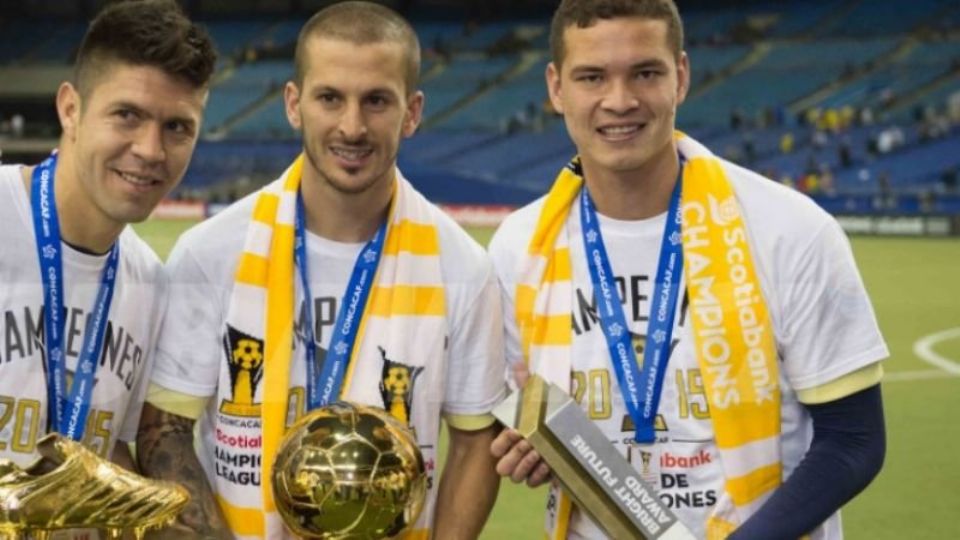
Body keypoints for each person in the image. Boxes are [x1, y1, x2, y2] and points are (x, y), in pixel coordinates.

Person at [488, 1, 887, 539]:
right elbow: (521, 413)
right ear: (557, 88)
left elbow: (854, 441)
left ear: (681, 76)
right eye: (592, 77)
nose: (619, 100)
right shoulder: (519, 246)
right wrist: (530, 448)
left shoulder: (792, 230)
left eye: (645, 73)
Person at [135, 3, 505, 539]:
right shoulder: (209, 253)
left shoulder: (464, 267)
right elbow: (164, 432)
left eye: (376, 100)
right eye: (330, 97)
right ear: (294, 104)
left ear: (412, 112)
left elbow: (475, 444)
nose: (352, 126)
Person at [0, 0, 214, 535]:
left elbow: (106, 442)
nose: (151, 149)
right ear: (70, 109)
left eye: (177, 127)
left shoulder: (149, 282)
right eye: (128, 115)